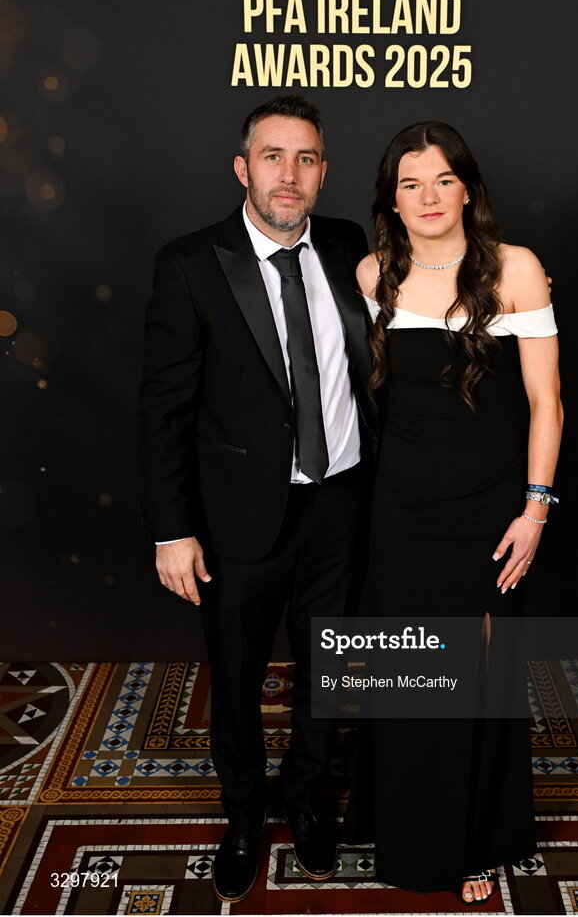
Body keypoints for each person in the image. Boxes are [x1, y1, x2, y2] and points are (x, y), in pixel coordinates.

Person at [138, 94, 375, 903]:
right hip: (237, 517)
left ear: (322, 173)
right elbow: (163, 411)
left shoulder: (348, 246)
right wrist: (173, 531)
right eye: (272, 156)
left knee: (329, 672)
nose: (289, 174)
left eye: (306, 159)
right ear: (243, 169)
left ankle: (307, 801)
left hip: (340, 504)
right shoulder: (190, 264)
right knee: (235, 678)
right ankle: (243, 815)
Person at [342, 120, 563, 904]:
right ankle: (405, 830)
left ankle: (473, 840)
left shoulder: (515, 270)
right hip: (400, 507)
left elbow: (547, 403)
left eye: (441, 180)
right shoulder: (374, 275)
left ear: (467, 187)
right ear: (391, 200)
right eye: (409, 183)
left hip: (491, 508)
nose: (427, 197)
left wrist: (534, 512)